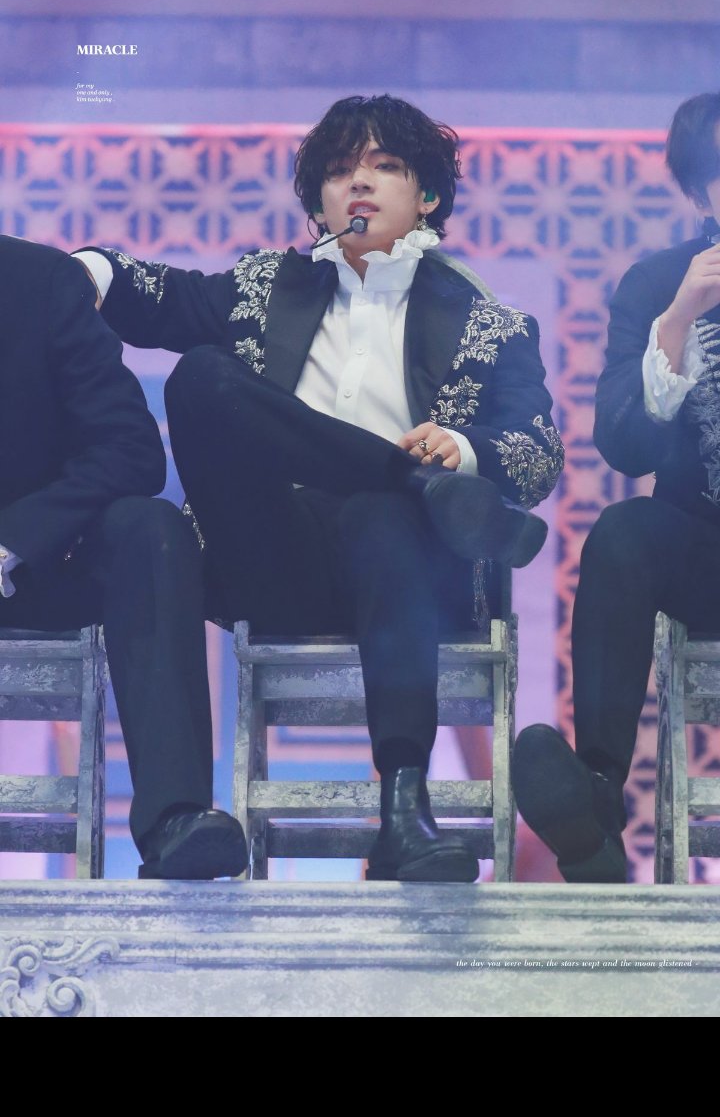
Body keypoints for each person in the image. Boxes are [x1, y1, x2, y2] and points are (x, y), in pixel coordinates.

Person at [76, 94, 563, 883]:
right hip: (274, 559)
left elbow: (538, 454)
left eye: (384, 166)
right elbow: (154, 295)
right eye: (339, 172)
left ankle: (404, 814)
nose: (358, 184)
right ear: (320, 202)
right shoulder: (266, 288)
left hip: (403, 572)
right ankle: (410, 479)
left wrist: (465, 449)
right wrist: (83, 270)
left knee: (380, 515)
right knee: (202, 376)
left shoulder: (489, 325)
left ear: (426, 195)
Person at [512, 91, 720, 884]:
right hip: (706, 548)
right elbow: (625, 447)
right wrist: (679, 320)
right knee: (624, 530)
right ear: (700, 197)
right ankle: (596, 800)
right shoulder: (660, 284)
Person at [0, 233, 247, 880]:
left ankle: (176, 818)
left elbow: (129, 448)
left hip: (35, 568)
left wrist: (15, 540)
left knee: (150, 528)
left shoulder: (38, 281)